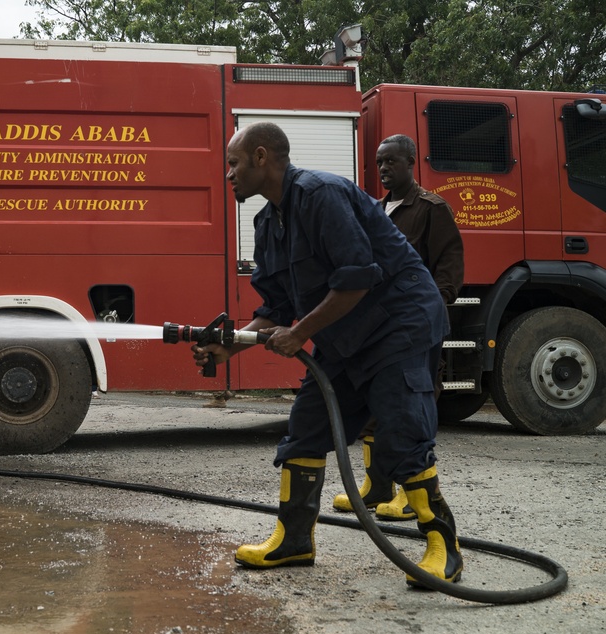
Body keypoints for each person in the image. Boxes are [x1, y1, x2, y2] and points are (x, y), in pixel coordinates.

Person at [194, 122, 462, 586]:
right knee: (307, 429)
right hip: (346, 337)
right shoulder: (266, 223)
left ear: (262, 157)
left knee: (402, 431)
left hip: (400, 322)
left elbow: (357, 277)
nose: (229, 175)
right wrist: (228, 347)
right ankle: (294, 541)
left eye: (233, 164)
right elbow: (276, 309)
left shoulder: (321, 195)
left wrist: (299, 334)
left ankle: (444, 546)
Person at [331, 134, 464, 521]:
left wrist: (427, 316)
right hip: (378, 327)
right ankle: (376, 488)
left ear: (411, 163)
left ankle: (413, 496)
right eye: (379, 163)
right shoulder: (375, 209)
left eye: (392, 161)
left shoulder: (431, 209)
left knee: (412, 410)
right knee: (377, 404)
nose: (384, 169)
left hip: (415, 328)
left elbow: (449, 270)